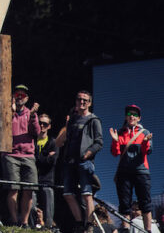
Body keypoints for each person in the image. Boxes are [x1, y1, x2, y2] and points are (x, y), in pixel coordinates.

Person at [56, 89, 105, 233]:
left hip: (84, 162)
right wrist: (67, 123)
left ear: (89, 103)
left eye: (85, 100)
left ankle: (89, 224)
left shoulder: (93, 120)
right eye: (79, 99)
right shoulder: (72, 120)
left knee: (86, 193)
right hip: (70, 162)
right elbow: (60, 142)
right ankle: (79, 223)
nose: (81, 102)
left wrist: (87, 154)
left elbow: (99, 142)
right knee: (68, 194)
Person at [110, 103, 153, 233]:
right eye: (129, 114)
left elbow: (148, 151)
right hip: (124, 173)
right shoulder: (120, 132)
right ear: (126, 117)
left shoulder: (144, 132)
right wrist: (115, 140)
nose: (132, 116)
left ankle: (148, 230)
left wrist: (145, 141)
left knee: (145, 203)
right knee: (124, 204)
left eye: (135, 114)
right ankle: (126, 230)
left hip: (141, 172)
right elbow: (115, 152)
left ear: (139, 118)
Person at [3, 84, 41, 226]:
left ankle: (24, 222)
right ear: (13, 96)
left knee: (29, 189)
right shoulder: (6, 112)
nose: (20, 97)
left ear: (27, 98)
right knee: (13, 188)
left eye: (22, 95)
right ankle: (14, 220)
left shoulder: (31, 114)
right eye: (17, 94)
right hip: (11, 154)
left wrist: (32, 116)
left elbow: (36, 133)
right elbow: (1, 127)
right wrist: (10, 113)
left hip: (28, 156)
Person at [34, 112, 59, 229]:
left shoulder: (53, 142)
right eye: (40, 123)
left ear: (49, 126)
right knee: (31, 205)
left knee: (48, 208)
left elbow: (52, 161)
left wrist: (39, 158)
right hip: (32, 179)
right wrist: (46, 157)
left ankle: (48, 228)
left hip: (47, 180)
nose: (42, 126)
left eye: (45, 124)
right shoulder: (32, 141)